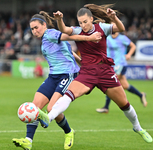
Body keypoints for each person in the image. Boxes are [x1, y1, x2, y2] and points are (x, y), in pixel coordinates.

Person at [37, 4, 153, 144]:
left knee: (124, 104)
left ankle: (138, 128)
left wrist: (114, 17)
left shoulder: (102, 28)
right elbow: (65, 30)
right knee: (69, 94)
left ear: (91, 19)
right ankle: (48, 118)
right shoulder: (78, 31)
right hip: (87, 72)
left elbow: (121, 28)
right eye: (80, 22)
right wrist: (60, 20)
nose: (83, 25)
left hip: (105, 71)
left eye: (85, 21)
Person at [12, 11, 102, 150]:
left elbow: (68, 36)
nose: (34, 31)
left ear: (44, 25)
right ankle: (28, 141)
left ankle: (68, 132)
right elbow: (66, 47)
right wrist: (80, 61)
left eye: (36, 27)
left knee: (50, 108)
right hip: (53, 76)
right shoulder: (46, 38)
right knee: (34, 106)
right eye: (32, 29)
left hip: (67, 75)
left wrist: (89, 38)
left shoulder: (50, 33)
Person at [96, 32, 147, 113]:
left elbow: (133, 46)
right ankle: (141, 95)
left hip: (120, 64)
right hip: (111, 65)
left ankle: (106, 107)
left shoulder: (122, 38)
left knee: (110, 83)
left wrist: (129, 54)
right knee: (125, 85)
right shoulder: (108, 38)